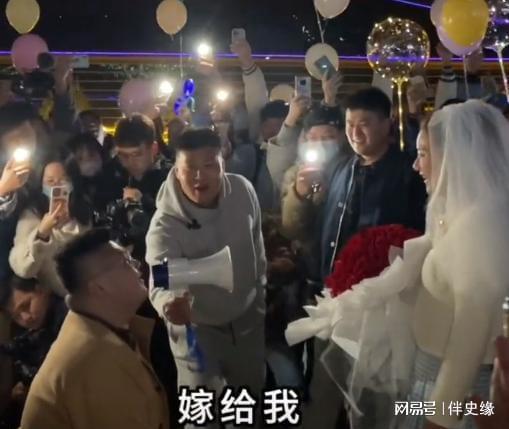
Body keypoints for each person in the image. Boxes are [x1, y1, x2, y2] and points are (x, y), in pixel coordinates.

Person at [146, 128, 266, 428]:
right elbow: (160, 279)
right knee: (202, 416)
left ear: (223, 162)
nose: (199, 177)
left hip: (247, 325)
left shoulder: (243, 191)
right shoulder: (164, 226)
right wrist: (170, 305)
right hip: (197, 334)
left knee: (247, 407)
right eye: (190, 168)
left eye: (209, 165)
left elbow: (258, 250)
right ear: (176, 170)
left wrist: (259, 300)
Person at [403, 100, 509, 429]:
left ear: (454, 156)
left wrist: (440, 415)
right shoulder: (468, 211)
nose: (416, 166)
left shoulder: (483, 224)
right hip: (436, 374)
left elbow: (472, 328)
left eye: (423, 153)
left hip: (459, 389)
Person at [19, 228, 170, 429]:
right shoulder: (88, 357)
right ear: (99, 287)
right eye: (126, 263)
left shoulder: (104, 330)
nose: (137, 267)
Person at [9, 154, 91, 297]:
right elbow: (23, 269)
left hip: (91, 289)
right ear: (41, 185)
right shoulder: (32, 215)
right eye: (50, 181)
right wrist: (42, 233)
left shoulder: (83, 210)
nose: (57, 186)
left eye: (64, 180)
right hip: (62, 297)